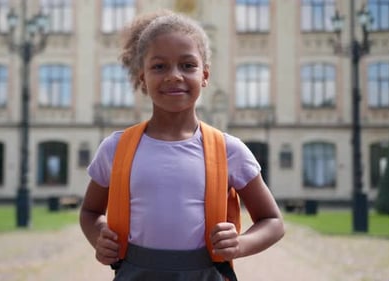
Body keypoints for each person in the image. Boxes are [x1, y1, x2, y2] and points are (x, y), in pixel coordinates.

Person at [80, 9, 284, 280]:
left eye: (187, 65)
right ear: (142, 77)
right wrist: (99, 238)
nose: (174, 75)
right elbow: (90, 211)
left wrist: (240, 244)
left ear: (205, 75)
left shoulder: (228, 150)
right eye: (159, 66)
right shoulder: (115, 149)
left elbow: (273, 221)